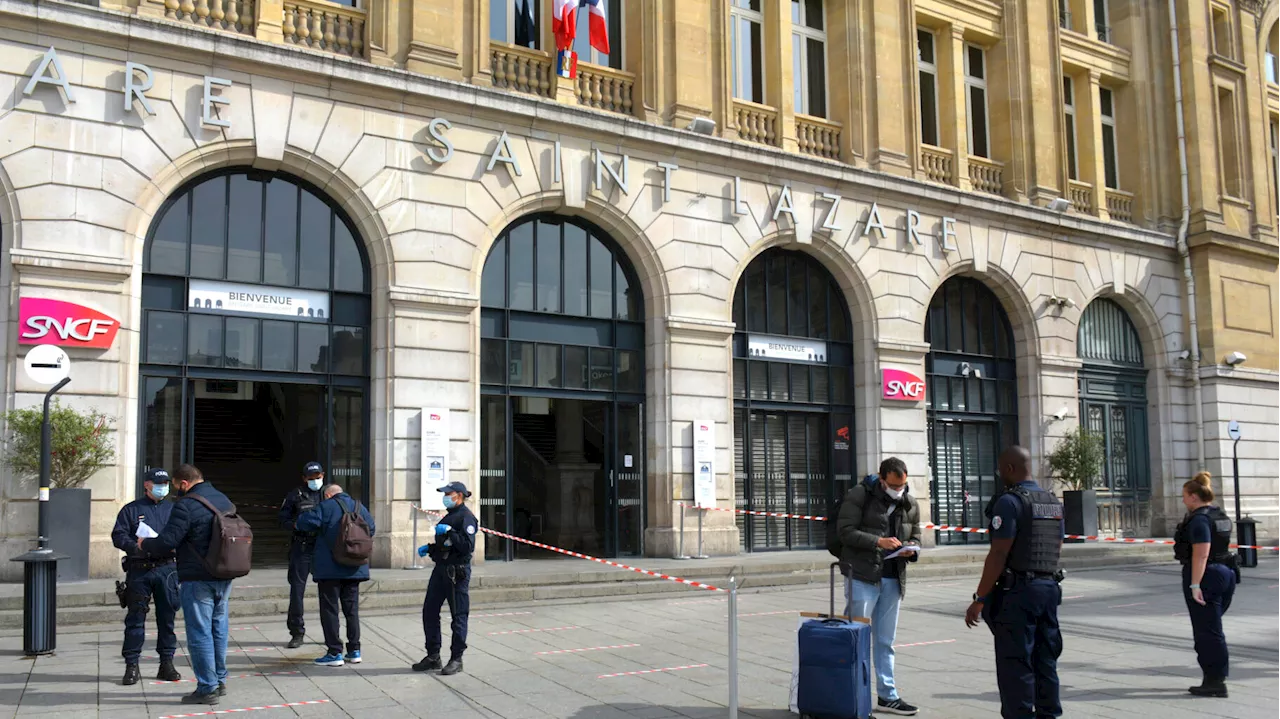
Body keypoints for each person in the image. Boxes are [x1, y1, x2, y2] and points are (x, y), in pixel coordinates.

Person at [964, 446, 1064, 719]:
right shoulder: (1052, 501)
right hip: (1049, 587)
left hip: (1019, 592)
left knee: (1015, 663)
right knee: (1046, 660)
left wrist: (980, 598)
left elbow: (998, 554)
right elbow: (1057, 546)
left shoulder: (1009, 502)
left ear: (1008, 469)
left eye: (1000, 470)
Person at [139, 464, 235, 706]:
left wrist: (144, 544)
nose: (173, 491)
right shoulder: (223, 499)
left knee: (199, 632)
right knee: (218, 628)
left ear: (183, 483)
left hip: (198, 575)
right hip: (224, 572)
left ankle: (207, 687)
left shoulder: (187, 504)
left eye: (174, 486)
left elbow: (168, 541)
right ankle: (220, 680)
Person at [836, 457, 922, 716]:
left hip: (893, 577)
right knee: (856, 638)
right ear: (881, 479)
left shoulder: (909, 501)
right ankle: (851, 697)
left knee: (886, 641)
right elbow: (845, 531)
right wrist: (878, 542)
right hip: (863, 575)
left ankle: (888, 696)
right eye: (894, 485)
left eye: (903, 485)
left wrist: (912, 550)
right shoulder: (860, 495)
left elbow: (916, 533)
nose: (899, 490)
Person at [111, 467, 181, 686]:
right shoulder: (131, 510)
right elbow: (118, 535)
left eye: (166, 483)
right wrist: (135, 548)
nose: (163, 487)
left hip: (166, 569)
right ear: (147, 485)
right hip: (139, 569)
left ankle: (166, 663)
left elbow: (183, 536)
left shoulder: (174, 509)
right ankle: (132, 665)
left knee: (167, 619)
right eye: (158, 483)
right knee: (135, 619)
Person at [296, 484, 376, 667]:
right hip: (355, 567)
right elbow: (371, 528)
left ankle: (334, 652)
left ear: (328, 494)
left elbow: (304, 523)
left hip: (330, 568)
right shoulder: (359, 507)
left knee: (330, 610)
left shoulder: (326, 506)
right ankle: (354, 650)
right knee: (351, 610)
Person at [1173, 471, 1237, 698]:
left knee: (1207, 631)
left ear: (1193, 497)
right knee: (1212, 626)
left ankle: (1215, 681)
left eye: (1184, 496)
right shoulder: (1219, 515)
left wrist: (1194, 585)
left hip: (1206, 575)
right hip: (1225, 572)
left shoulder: (1199, 520)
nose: (1183, 501)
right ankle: (1214, 677)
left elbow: (1201, 554)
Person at [412, 481, 478, 676]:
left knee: (458, 615)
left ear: (459, 494)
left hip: (457, 572)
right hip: (441, 569)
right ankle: (433, 655)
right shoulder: (449, 516)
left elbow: (467, 547)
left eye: (448, 493)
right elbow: (445, 545)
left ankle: (456, 658)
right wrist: (430, 548)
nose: (445, 496)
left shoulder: (467, 518)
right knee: (429, 611)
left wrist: (451, 532)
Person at [278, 461, 326, 648]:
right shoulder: (296, 495)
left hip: (323, 548)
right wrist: (297, 525)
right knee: (297, 592)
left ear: (323, 475)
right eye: (311, 478)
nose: (315, 480)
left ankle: (331, 632)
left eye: (318, 477)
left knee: (328, 592)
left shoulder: (329, 493)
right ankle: (297, 632)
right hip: (302, 546)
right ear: (304, 478)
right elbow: (283, 519)